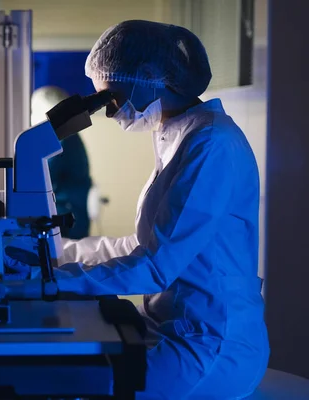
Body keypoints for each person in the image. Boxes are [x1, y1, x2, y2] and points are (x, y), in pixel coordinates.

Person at [53, 20, 269, 399]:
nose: (109, 112)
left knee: (75, 385)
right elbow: (142, 246)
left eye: (111, 98)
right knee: (72, 363)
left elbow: (155, 266)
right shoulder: (179, 135)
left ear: (150, 76)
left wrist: (50, 282)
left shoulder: (211, 144)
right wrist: (58, 254)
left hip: (210, 344)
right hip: (173, 327)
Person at [31, 86, 93, 239]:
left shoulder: (62, 140)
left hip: (66, 219)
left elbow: (41, 178)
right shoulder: (68, 137)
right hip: (71, 215)